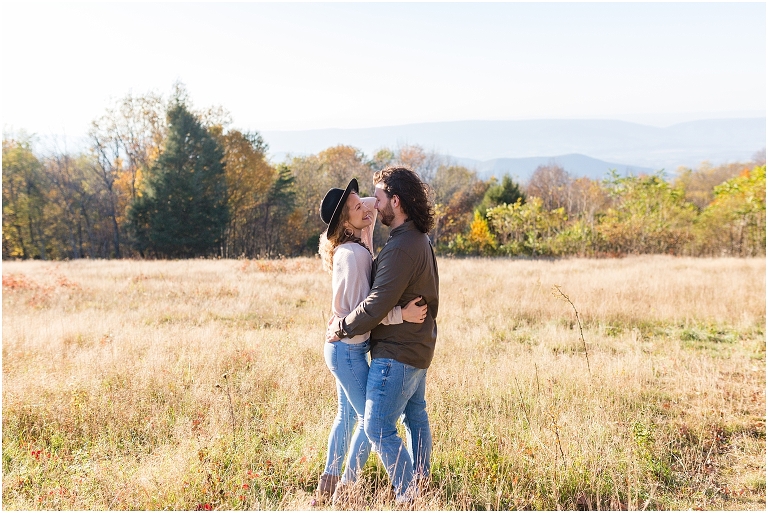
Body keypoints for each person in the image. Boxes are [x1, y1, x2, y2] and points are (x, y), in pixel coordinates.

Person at [314, 178, 427, 506]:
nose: (366, 206)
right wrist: (401, 314)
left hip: (345, 347)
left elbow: (367, 208)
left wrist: (357, 206)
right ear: (344, 222)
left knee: (346, 418)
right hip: (347, 349)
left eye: (365, 201)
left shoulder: (356, 242)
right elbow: (367, 311)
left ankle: (327, 490)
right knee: (370, 420)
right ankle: (346, 490)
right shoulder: (352, 255)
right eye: (355, 207)